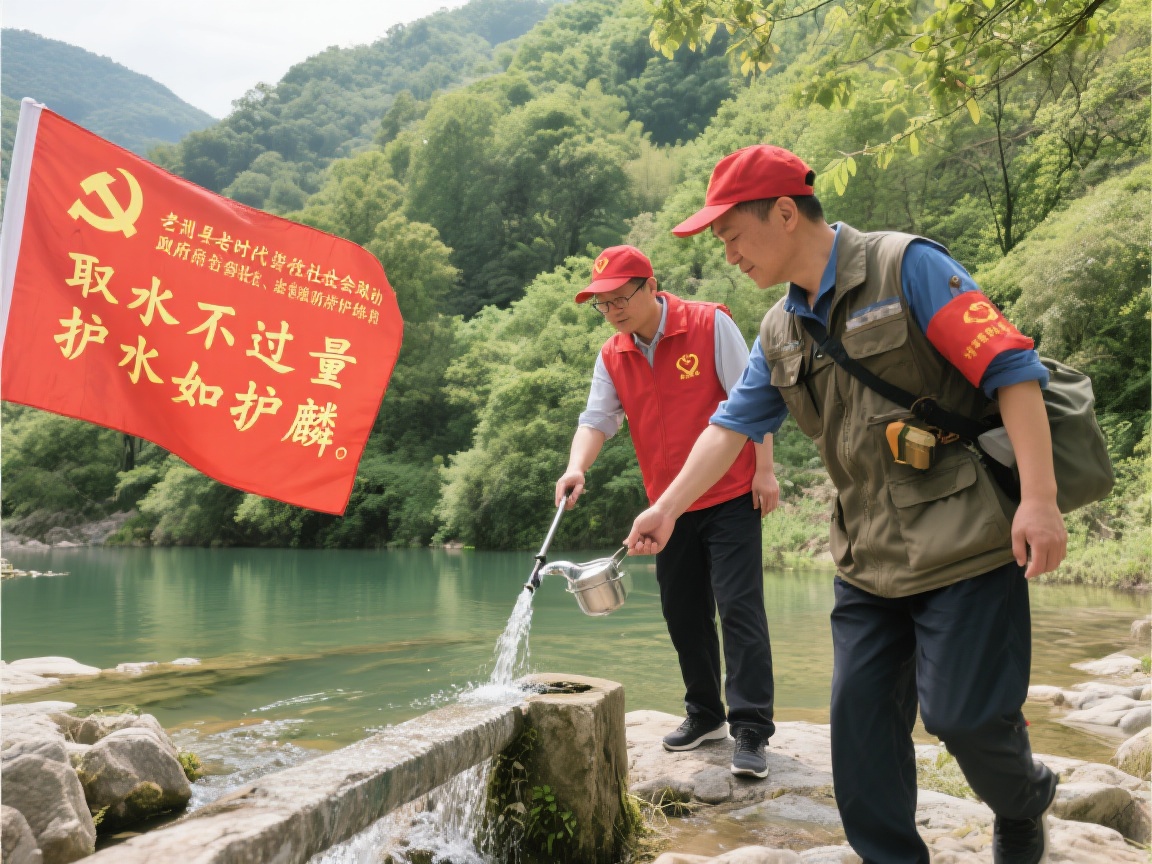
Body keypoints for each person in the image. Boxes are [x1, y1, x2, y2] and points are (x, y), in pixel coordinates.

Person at [625, 145, 1066, 864]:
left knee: (964, 719)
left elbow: (1012, 371)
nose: (728, 254)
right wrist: (668, 508)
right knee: (859, 736)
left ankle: (1023, 800)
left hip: (966, 541)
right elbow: (730, 427)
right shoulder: (780, 329)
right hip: (866, 556)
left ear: (785, 212)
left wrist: (1039, 500)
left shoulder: (907, 266)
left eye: (733, 235)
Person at [556, 244, 778, 778]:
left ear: (651, 286)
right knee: (682, 610)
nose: (612, 311)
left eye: (620, 298)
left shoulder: (708, 324)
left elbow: (752, 397)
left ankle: (751, 728)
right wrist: (576, 467)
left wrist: (765, 470)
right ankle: (705, 714)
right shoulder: (613, 354)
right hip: (667, 508)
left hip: (729, 493)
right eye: (602, 304)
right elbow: (597, 419)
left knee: (739, 607)